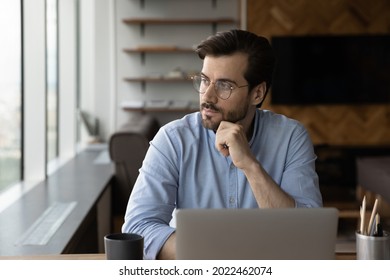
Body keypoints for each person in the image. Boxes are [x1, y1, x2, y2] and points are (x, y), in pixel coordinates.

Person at [122, 29, 323, 260]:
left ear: (257, 93)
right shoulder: (172, 140)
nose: (207, 96)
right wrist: (217, 254)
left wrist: (249, 164)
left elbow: (308, 234)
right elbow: (138, 228)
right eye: (205, 80)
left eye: (224, 86)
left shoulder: (290, 138)